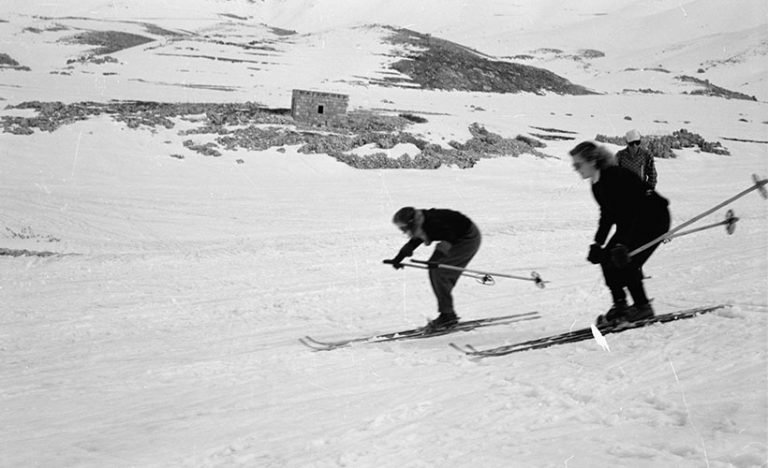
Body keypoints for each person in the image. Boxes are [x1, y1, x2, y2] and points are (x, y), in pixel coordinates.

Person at [569, 141, 671, 324]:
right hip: (633, 222)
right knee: (606, 258)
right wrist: (598, 244)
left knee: (626, 260)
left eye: (578, 164)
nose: (575, 169)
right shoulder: (596, 184)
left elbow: (635, 211)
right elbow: (607, 214)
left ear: (592, 161)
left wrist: (623, 244)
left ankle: (642, 307)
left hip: (654, 219)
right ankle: (620, 305)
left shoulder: (615, 176)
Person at [385, 207, 482, 331]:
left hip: (467, 238)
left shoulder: (433, 222)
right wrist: (398, 258)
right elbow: (415, 241)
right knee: (436, 271)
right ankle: (447, 313)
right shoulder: (421, 222)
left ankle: (448, 315)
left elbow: (449, 237)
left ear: (411, 222)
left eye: (404, 228)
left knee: (440, 272)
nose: (404, 232)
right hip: (456, 238)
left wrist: (436, 258)